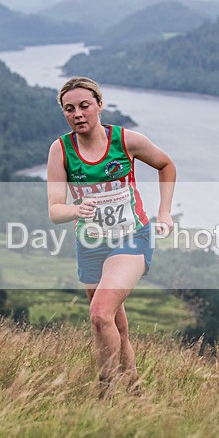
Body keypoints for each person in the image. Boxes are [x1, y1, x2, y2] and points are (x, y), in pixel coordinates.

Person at [46, 77, 176, 396]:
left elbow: (166, 165)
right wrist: (75, 211)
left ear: (100, 106)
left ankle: (105, 393)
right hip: (90, 245)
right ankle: (135, 393)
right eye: (69, 109)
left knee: (99, 314)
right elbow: (54, 210)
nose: (78, 114)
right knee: (113, 326)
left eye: (84, 106)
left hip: (132, 238)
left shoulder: (125, 140)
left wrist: (164, 212)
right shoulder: (61, 150)